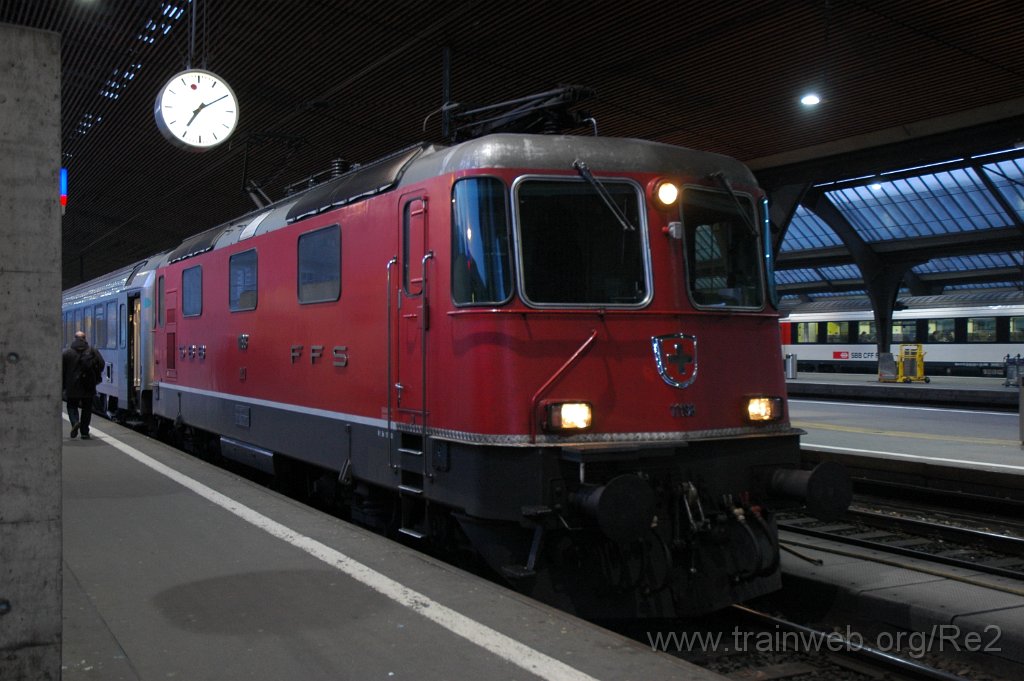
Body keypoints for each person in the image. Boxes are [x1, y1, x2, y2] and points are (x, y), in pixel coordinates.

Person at [62, 330, 104, 439]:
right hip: (88, 386)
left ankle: (75, 422)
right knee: (87, 409)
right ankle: (84, 432)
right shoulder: (92, 351)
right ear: (85, 338)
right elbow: (101, 364)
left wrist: (63, 386)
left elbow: (62, 371)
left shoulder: (67, 353)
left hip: (72, 386)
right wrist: (96, 376)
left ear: (74, 338)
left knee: (71, 406)